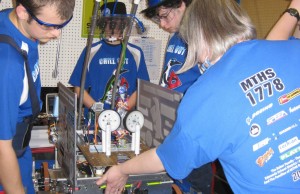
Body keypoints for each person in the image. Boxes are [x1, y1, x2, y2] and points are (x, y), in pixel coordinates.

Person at [96, 0, 300, 193]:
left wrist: (122, 170)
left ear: (199, 36)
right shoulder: (289, 50)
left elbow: (166, 159)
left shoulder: (204, 98)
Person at [0, 0, 75, 194]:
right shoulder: (7, 64)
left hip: (19, 147)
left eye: (62, 25)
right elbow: (1, 147)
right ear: (23, 12)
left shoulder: (18, 24)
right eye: (49, 26)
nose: (56, 34)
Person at [141, 1, 213, 193]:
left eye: (165, 16)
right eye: (159, 18)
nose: (162, 25)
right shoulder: (175, 37)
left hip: (191, 133)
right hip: (169, 128)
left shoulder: (204, 38)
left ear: (181, 5)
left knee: (192, 183)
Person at [69, 2, 149, 118]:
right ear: (102, 24)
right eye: (109, 23)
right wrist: (99, 113)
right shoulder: (91, 51)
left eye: (118, 23)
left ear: (124, 24)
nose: (113, 27)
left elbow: (142, 88)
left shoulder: (136, 53)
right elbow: (79, 88)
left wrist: (122, 110)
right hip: (95, 122)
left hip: (125, 122)